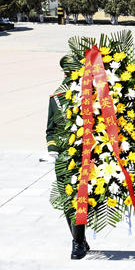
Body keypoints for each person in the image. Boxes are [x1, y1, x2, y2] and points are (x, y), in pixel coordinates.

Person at [47, 56, 91, 259]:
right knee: (67, 201)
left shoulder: (88, 98)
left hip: (84, 156)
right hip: (64, 158)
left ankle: (77, 243)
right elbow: (51, 130)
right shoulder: (55, 99)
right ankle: (78, 238)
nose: (69, 79)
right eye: (67, 74)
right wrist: (53, 149)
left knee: (80, 199)